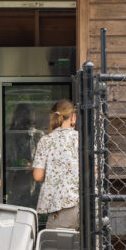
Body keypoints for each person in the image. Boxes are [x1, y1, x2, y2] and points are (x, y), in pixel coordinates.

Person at [31, 99, 80, 230]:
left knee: (57, 246)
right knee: (91, 247)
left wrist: (54, 177)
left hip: (62, 205)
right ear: (73, 117)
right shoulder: (83, 138)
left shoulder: (46, 140)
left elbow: (37, 175)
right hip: (90, 204)